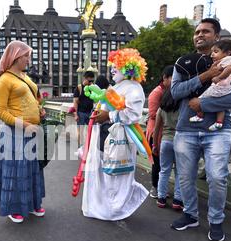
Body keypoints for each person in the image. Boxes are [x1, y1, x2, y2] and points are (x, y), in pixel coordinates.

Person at [170, 18, 231, 241]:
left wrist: (203, 105)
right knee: (185, 178)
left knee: (217, 177)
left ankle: (215, 221)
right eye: (197, 32)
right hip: (185, 129)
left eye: (205, 31)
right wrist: (204, 76)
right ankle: (190, 215)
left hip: (218, 130)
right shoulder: (183, 62)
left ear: (216, 36)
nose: (199, 35)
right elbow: (175, 92)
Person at [84, 48, 149, 221]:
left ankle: (115, 208)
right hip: (106, 135)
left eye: (116, 66)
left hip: (120, 138)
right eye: (112, 65)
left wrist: (108, 115)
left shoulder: (134, 88)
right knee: (105, 172)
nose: (112, 69)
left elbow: (133, 115)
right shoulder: (117, 86)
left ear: (128, 68)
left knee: (116, 175)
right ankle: (105, 205)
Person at [0, 40, 46, 224]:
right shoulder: (4, 80)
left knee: (32, 169)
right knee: (16, 171)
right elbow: (1, 111)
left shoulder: (24, 77)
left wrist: (39, 109)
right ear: (16, 57)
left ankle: (32, 203)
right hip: (15, 133)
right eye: (26, 56)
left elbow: (31, 98)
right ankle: (14, 208)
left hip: (31, 131)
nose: (29, 60)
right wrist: (24, 124)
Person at [191, 40, 231, 132]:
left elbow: (230, 68)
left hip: (219, 86)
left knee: (200, 99)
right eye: (212, 52)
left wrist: (218, 78)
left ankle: (200, 116)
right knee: (220, 106)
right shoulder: (227, 60)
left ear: (227, 53)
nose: (212, 55)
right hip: (224, 88)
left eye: (215, 52)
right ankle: (219, 123)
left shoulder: (227, 60)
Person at [153, 85, 183, 210]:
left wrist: (155, 144)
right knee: (179, 172)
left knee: (164, 171)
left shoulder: (161, 109)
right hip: (180, 141)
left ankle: (161, 198)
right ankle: (177, 200)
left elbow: (156, 130)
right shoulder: (182, 108)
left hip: (165, 141)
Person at [146, 66, 174, 199]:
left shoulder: (170, 91)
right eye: (173, 77)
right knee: (157, 163)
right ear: (165, 78)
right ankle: (155, 188)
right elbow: (152, 114)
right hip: (156, 132)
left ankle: (161, 190)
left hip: (166, 132)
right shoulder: (157, 92)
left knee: (164, 164)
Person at [73, 71, 95, 147]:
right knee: (80, 132)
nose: (91, 82)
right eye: (89, 81)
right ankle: (80, 147)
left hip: (90, 113)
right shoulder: (79, 88)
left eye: (92, 81)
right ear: (85, 79)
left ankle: (88, 147)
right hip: (81, 113)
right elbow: (75, 102)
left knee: (91, 131)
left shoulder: (92, 88)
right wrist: (75, 114)